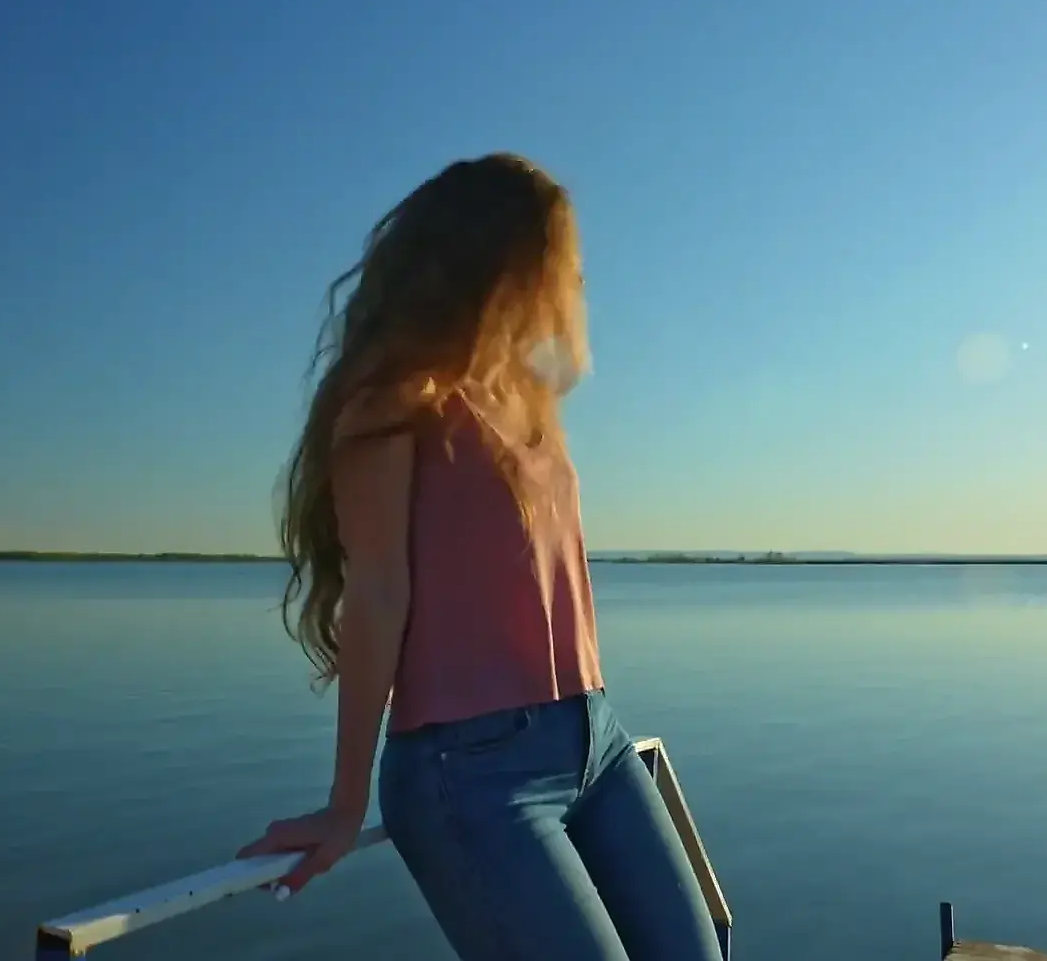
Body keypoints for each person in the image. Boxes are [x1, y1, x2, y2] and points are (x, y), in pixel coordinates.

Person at [236, 153, 723, 961]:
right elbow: (377, 593)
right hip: (471, 770)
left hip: (594, 738)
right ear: (495, 257)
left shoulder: (530, 401)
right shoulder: (392, 402)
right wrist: (345, 804)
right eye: (555, 257)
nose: (569, 282)